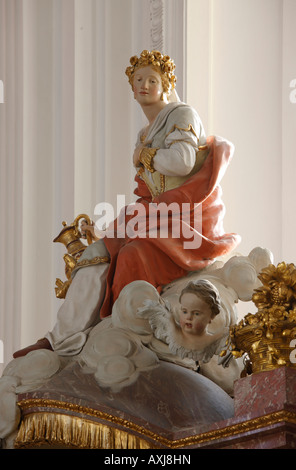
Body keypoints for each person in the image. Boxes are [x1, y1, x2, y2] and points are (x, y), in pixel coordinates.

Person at [13, 50, 240, 359]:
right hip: (155, 213)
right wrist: (110, 227)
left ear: (166, 84)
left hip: (186, 220)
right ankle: (61, 339)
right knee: (94, 255)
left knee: (130, 256)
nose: (143, 85)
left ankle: (118, 331)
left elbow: (183, 162)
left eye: (152, 80)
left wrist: (147, 156)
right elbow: (148, 191)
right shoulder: (145, 133)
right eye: (138, 80)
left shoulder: (182, 114)